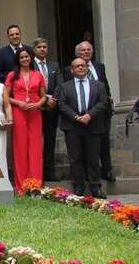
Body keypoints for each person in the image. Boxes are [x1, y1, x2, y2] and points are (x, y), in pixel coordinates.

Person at [56, 58, 110, 198]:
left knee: (93, 158)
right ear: (72, 70)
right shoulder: (64, 87)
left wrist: (89, 115)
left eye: (83, 65)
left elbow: (103, 103)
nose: (80, 68)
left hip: (92, 125)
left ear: (87, 68)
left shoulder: (99, 85)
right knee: (75, 158)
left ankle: (95, 187)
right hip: (73, 126)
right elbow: (61, 104)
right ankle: (78, 186)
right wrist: (76, 117)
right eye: (77, 66)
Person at [64, 41, 114, 182]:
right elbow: (69, 93)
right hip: (78, 116)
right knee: (80, 152)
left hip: (99, 113)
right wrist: (77, 115)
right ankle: (83, 178)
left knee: (103, 143)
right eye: (83, 50)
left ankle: (107, 170)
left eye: (89, 50)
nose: (86, 52)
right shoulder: (69, 70)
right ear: (77, 54)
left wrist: (105, 103)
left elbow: (105, 87)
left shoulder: (99, 67)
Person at [5, 47, 46, 189]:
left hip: (35, 112)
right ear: (18, 60)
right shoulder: (12, 75)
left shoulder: (38, 75)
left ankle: (35, 185)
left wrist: (37, 105)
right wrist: (19, 103)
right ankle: (21, 185)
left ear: (31, 58)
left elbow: (44, 96)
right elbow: (6, 96)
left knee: (35, 147)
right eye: (21, 57)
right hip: (19, 111)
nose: (24, 59)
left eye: (27, 57)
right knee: (20, 147)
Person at [33, 38, 61, 181]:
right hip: (36, 109)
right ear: (34, 49)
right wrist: (44, 99)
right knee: (37, 142)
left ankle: (49, 171)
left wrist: (53, 99)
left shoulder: (54, 66)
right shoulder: (30, 66)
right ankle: (37, 171)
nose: (42, 49)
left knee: (50, 142)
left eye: (45, 47)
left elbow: (59, 85)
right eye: (39, 47)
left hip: (51, 110)